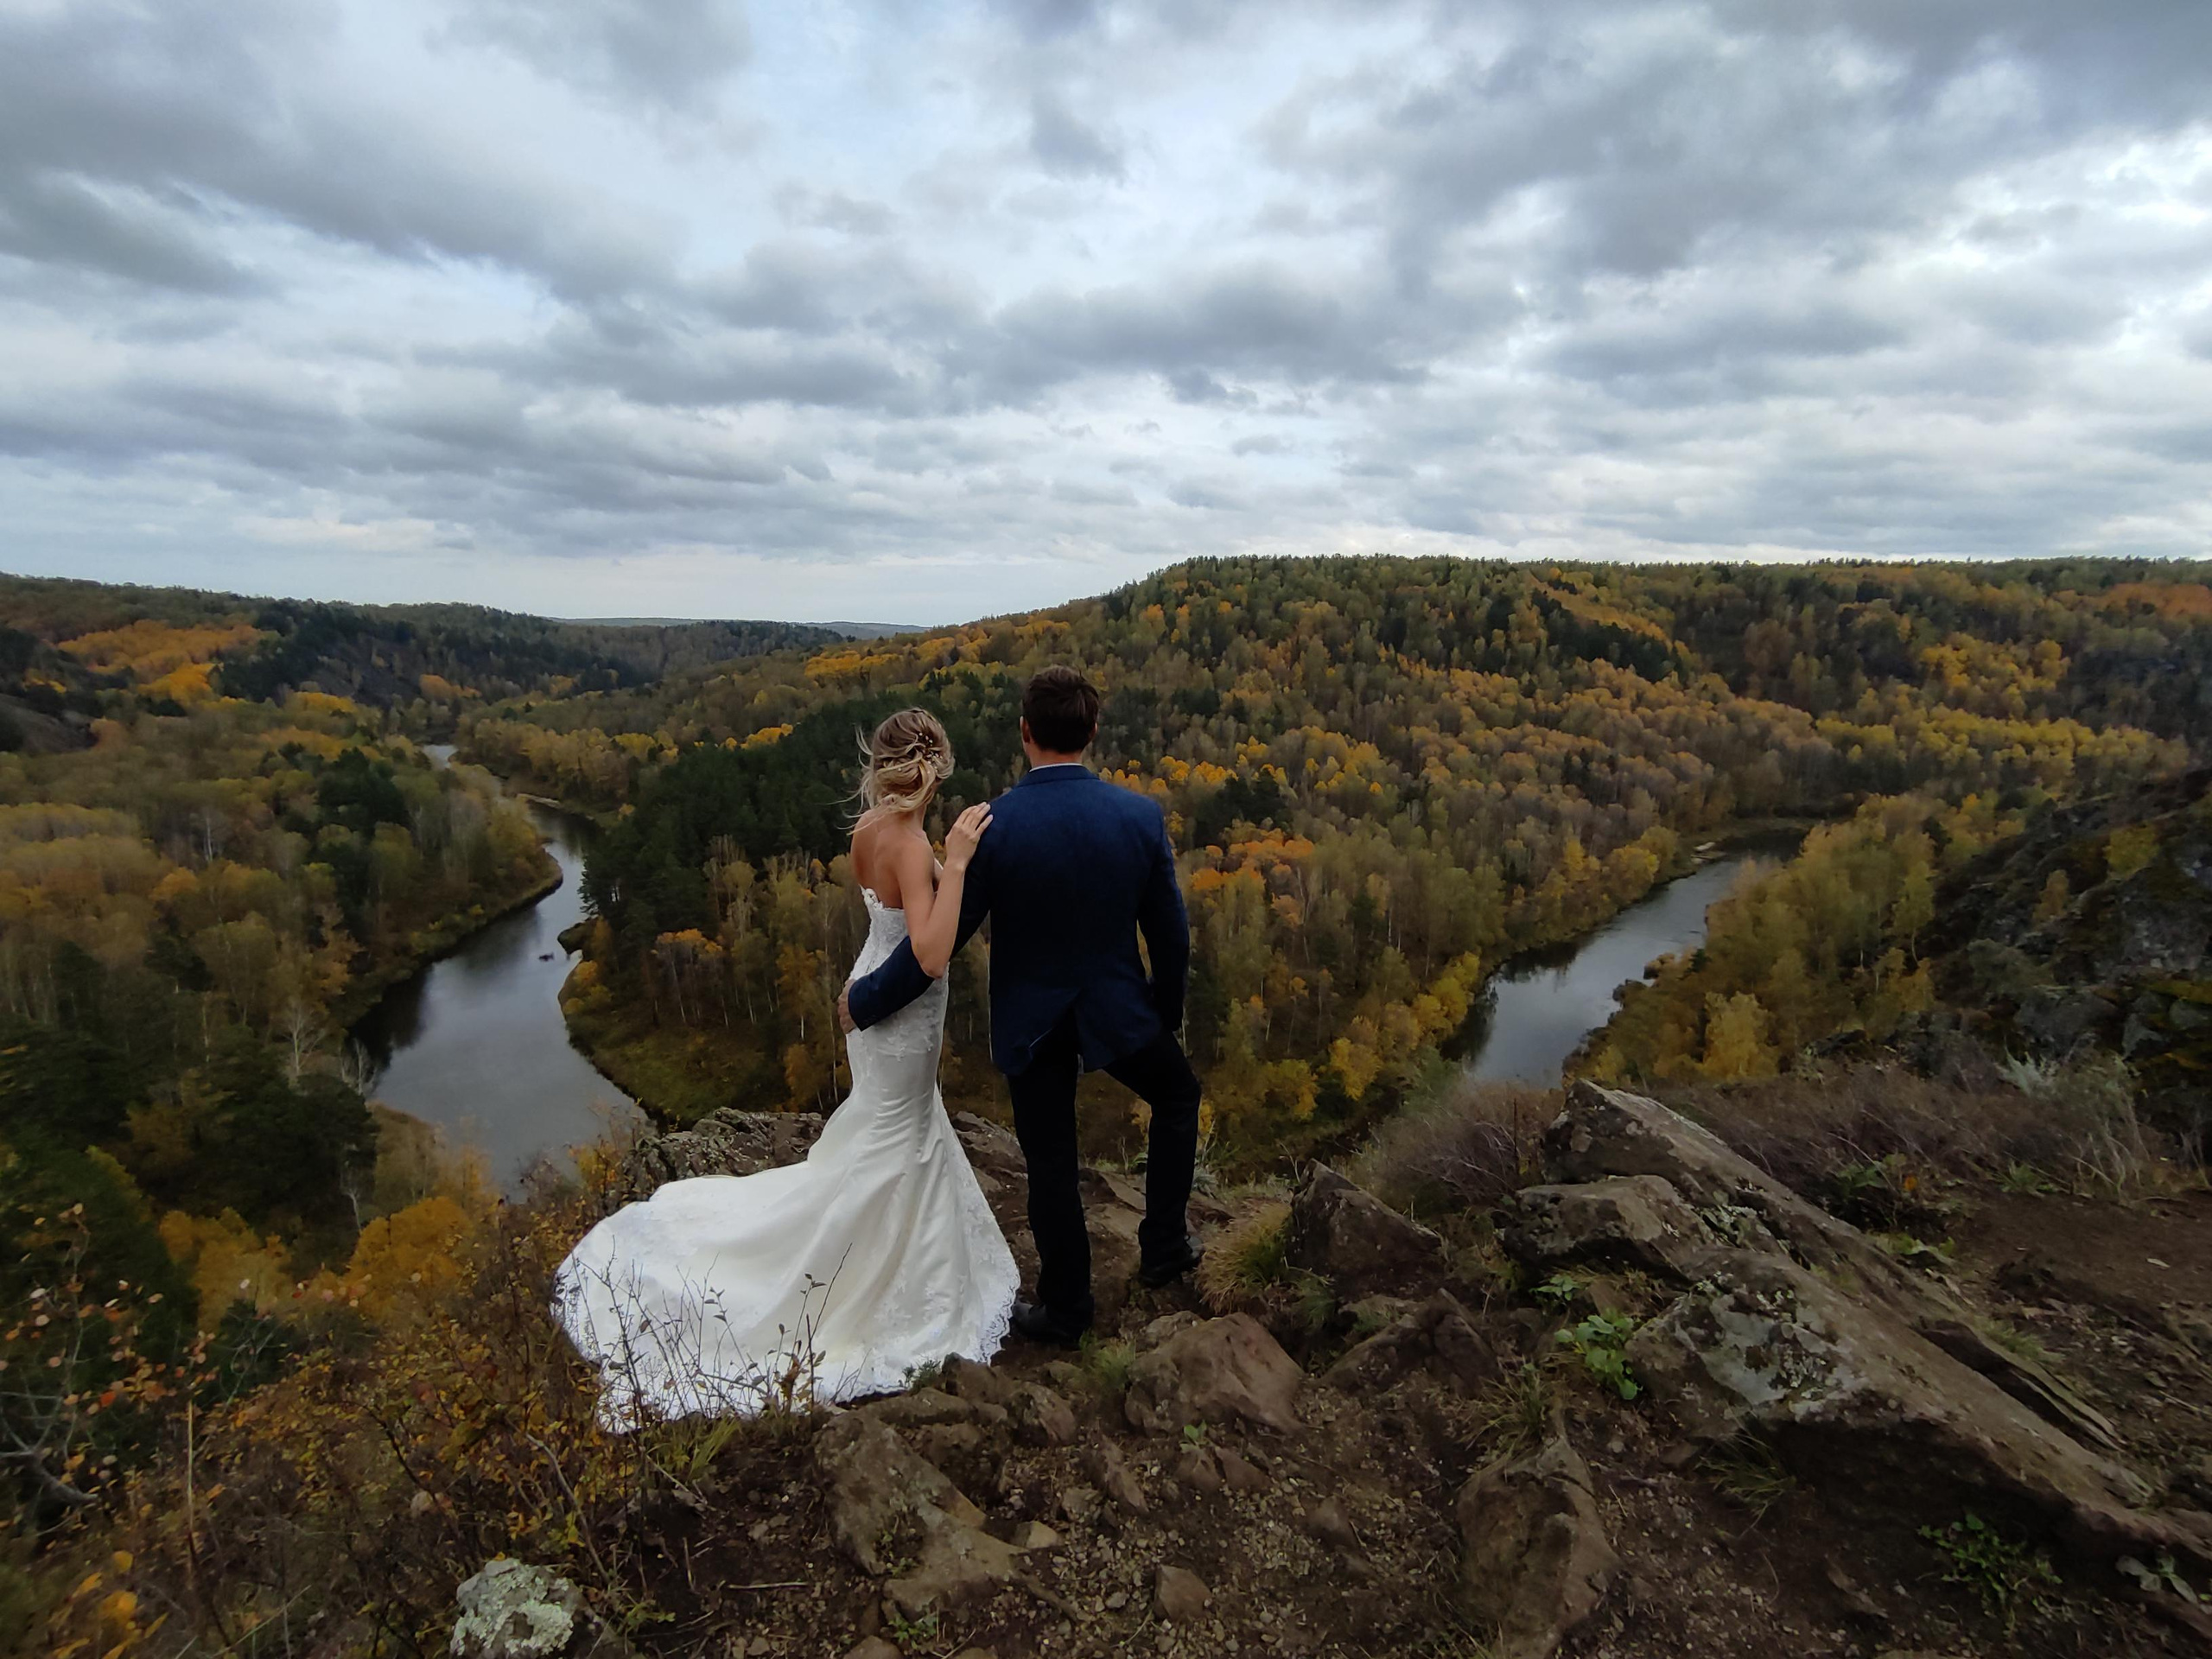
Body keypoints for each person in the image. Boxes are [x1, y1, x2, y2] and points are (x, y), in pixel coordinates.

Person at [553, 709, 1018, 1425]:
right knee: (897, 1138)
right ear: (938, 767)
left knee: (889, 1130)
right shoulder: (908, 843)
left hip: (869, 996)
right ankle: (866, 1278)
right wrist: (955, 864)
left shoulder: (867, 830)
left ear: (882, 765)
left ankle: (892, 1249)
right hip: (900, 1019)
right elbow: (927, 954)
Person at [841, 664, 1204, 1347]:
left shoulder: (993, 826)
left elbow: (938, 943)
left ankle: (1067, 1310)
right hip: (1120, 1013)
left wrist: (865, 1000)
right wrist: (1165, 1012)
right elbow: (1170, 934)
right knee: (1178, 1097)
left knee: (1051, 1164)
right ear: (1092, 732)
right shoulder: (1138, 815)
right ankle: (1162, 1246)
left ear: (1026, 732)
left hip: (1032, 1023)